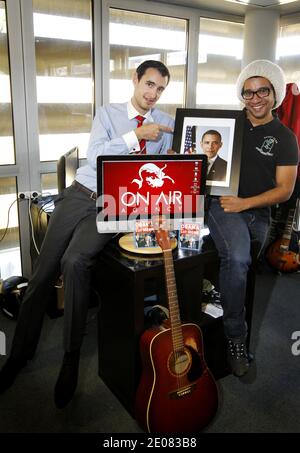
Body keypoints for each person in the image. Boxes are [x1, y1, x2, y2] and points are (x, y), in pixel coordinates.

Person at [0, 60, 174, 407]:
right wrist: (136, 135)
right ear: (135, 79)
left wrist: (175, 150)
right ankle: (19, 354)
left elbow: (187, 141)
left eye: (160, 89)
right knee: (43, 273)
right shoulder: (108, 114)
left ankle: (70, 357)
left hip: (113, 204)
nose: (153, 94)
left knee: (76, 261)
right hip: (82, 193)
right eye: (149, 84)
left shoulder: (166, 122)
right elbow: (96, 155)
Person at [206, 59, 299, 378]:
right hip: (223, 204)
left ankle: (223, 294)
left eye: (262, 91)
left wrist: (246, 203)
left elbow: (285, 191)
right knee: (237, 257)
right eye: (248, 92)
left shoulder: (285, 138)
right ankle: (236, 337)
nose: (255, 98)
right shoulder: (228, 125)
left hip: (256, 210)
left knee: (243, 263)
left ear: (274, 93)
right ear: (241, 95)